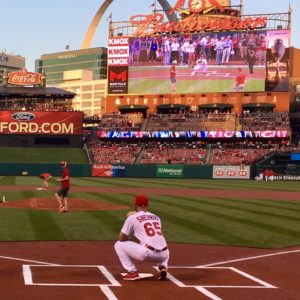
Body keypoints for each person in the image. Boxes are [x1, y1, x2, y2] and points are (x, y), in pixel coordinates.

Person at [114, 195, 169, 281]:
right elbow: (158, 235)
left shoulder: (132, 217)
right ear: (147, 205)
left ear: (136, 205)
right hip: (165, 255)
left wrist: (129, 238)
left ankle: (132, 271)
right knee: (160, 244)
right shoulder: (156, 217)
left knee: (118, 244)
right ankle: (163, 267)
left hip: (148, 253)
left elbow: (121, 238)